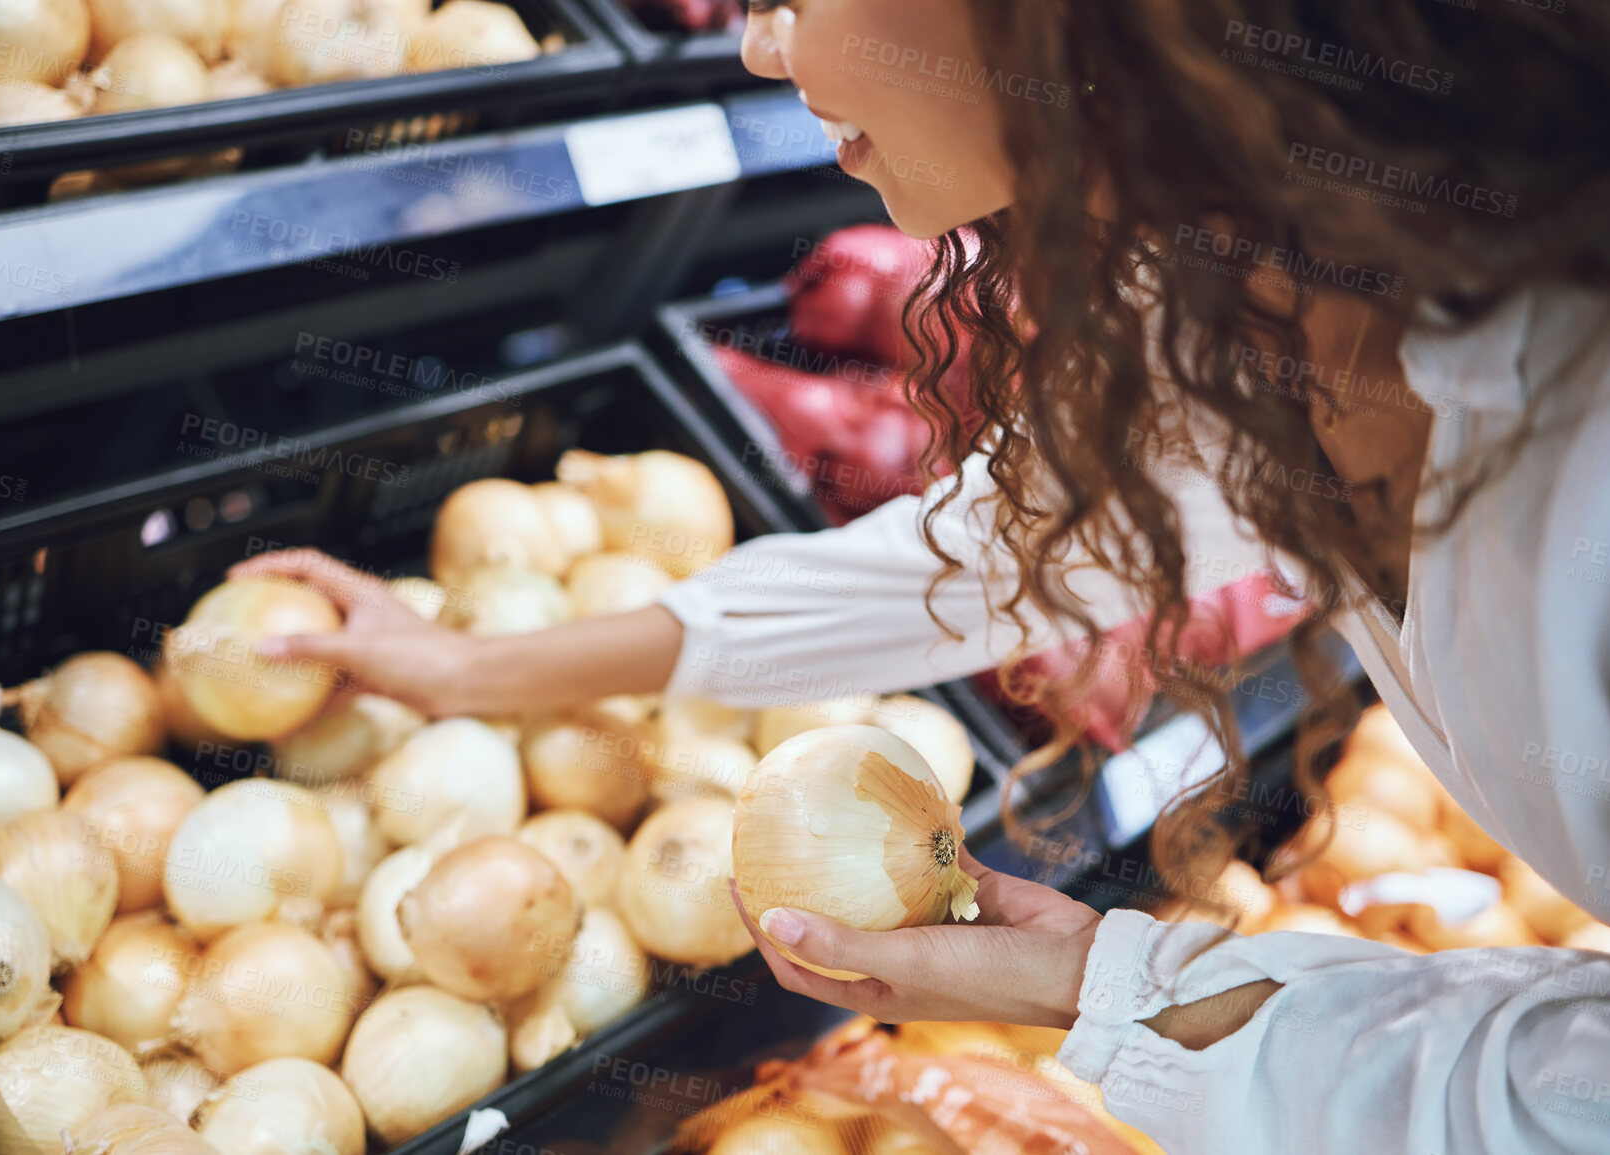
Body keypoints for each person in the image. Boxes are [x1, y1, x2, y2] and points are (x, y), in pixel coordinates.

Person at [235, 2, 1610, 1151]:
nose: (764, 46)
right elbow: (969, 564)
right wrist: (468, 667)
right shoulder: (1250, 295)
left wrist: (1127, 995)